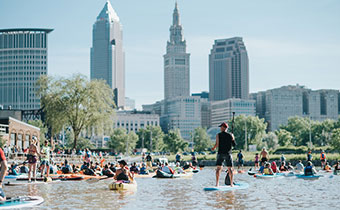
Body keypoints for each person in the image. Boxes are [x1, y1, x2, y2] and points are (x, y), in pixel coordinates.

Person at [211, 122, 236, 187]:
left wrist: (213, 148)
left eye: (221, 127)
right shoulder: (231, 135)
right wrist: (233, 138)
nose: (220, 128)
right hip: (228, 153)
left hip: (220, 153)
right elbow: (234, 145)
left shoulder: (218, 135)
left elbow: (217, 144)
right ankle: (231, 184)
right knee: (230, 169)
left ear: (223, 128)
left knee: (218, 168)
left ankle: (217, 184)